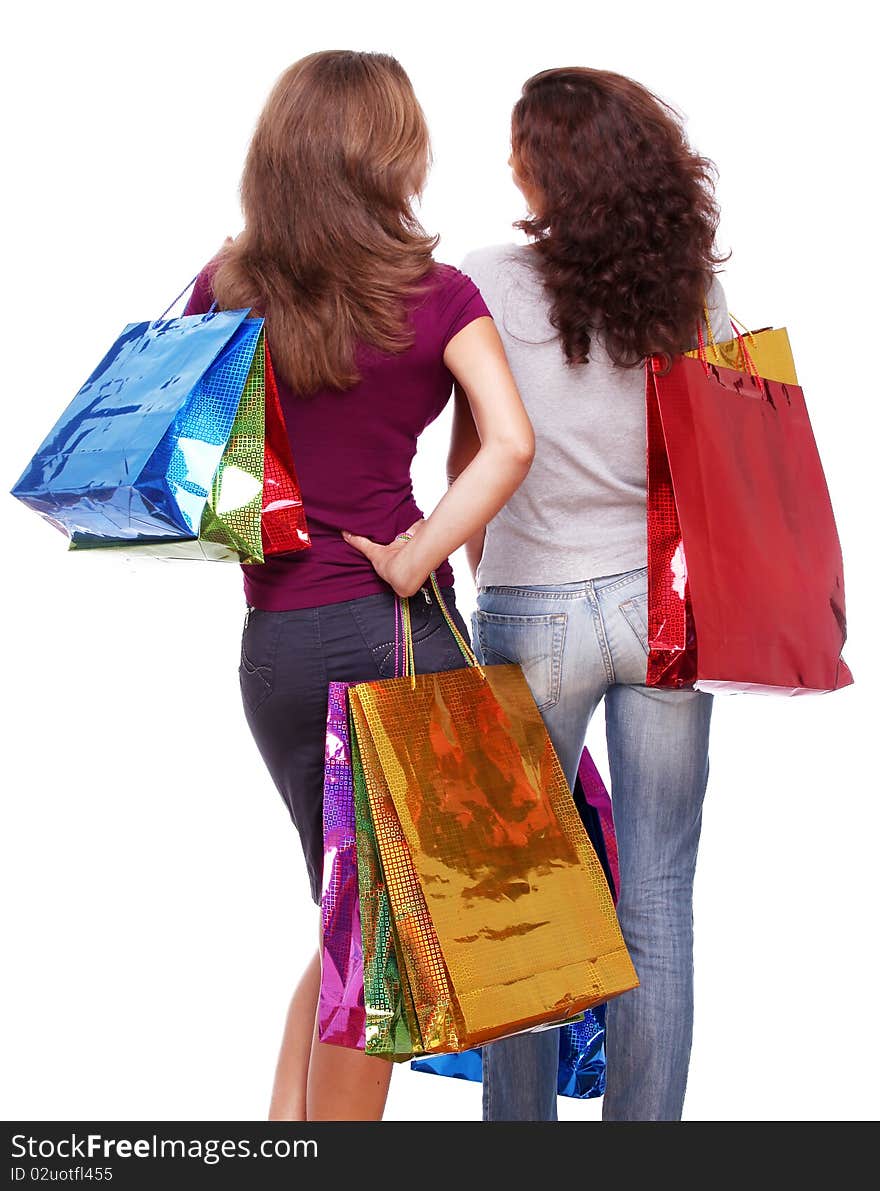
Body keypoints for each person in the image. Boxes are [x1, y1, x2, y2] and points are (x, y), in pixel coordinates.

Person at [184, 50, 534, 1122]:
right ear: (394, 152)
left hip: (277, 646)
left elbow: (183, 448)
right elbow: (510, 443)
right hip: (394, 635)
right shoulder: (438, 294)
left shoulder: (221, 286)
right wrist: (420, 552)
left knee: (348, 915)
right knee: (378, 945)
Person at [453, 67, 730, 1121]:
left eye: (519, 146)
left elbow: (472, 456)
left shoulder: (485, 278)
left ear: (545, 164)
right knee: (656, 894)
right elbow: (717, 453)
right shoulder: (687, 290)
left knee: (519, 897)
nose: (507, 165)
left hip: (533, 604)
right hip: (665, 613)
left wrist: (494, 588)